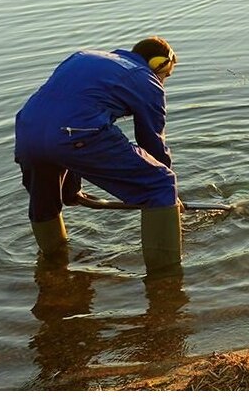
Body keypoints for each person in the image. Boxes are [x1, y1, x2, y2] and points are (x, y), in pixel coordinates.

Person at [14, 36, 182, 277]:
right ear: (160, 65)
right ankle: (165, 281)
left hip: (27, 130)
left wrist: (70, 189)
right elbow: (152, 141)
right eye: (166, 76)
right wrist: (169, 198)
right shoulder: (146, 80)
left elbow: (64, 112)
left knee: (46, 200)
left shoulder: (83, 57)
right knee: (160, 183)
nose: (163, 82)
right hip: (73, 134)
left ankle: (53, 266)